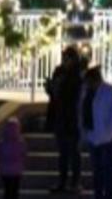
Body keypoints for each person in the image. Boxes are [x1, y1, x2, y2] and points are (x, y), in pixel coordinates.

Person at [79, 67, 112, 199]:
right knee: (97, 170)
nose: (87, 84)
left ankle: (108, 195)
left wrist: (108, 130)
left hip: (110, 138)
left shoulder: (111, 91)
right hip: (93, 136)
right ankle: (98, 194)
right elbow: (83, 113)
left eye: (88, 81)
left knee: (107, 169)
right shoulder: (87, 93)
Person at [45, 47, 83, 194]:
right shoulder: (59, 71)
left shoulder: (77, 74)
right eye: (64, 58)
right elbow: (55, 94)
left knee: (73, 152)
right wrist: (51, 88)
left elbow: (75, 94)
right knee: (63, 152)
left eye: (68, 58)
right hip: (60, 115)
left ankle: (75, 182)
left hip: (72, 117)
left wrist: (59, 88)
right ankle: (62, 181)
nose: (65, 61)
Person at [0, 118, 27, 199]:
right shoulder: (19, 142)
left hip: (10, 170)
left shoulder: (4, 142)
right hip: (11, 170)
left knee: (10, 190)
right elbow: (24, 155)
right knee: (11, 190)